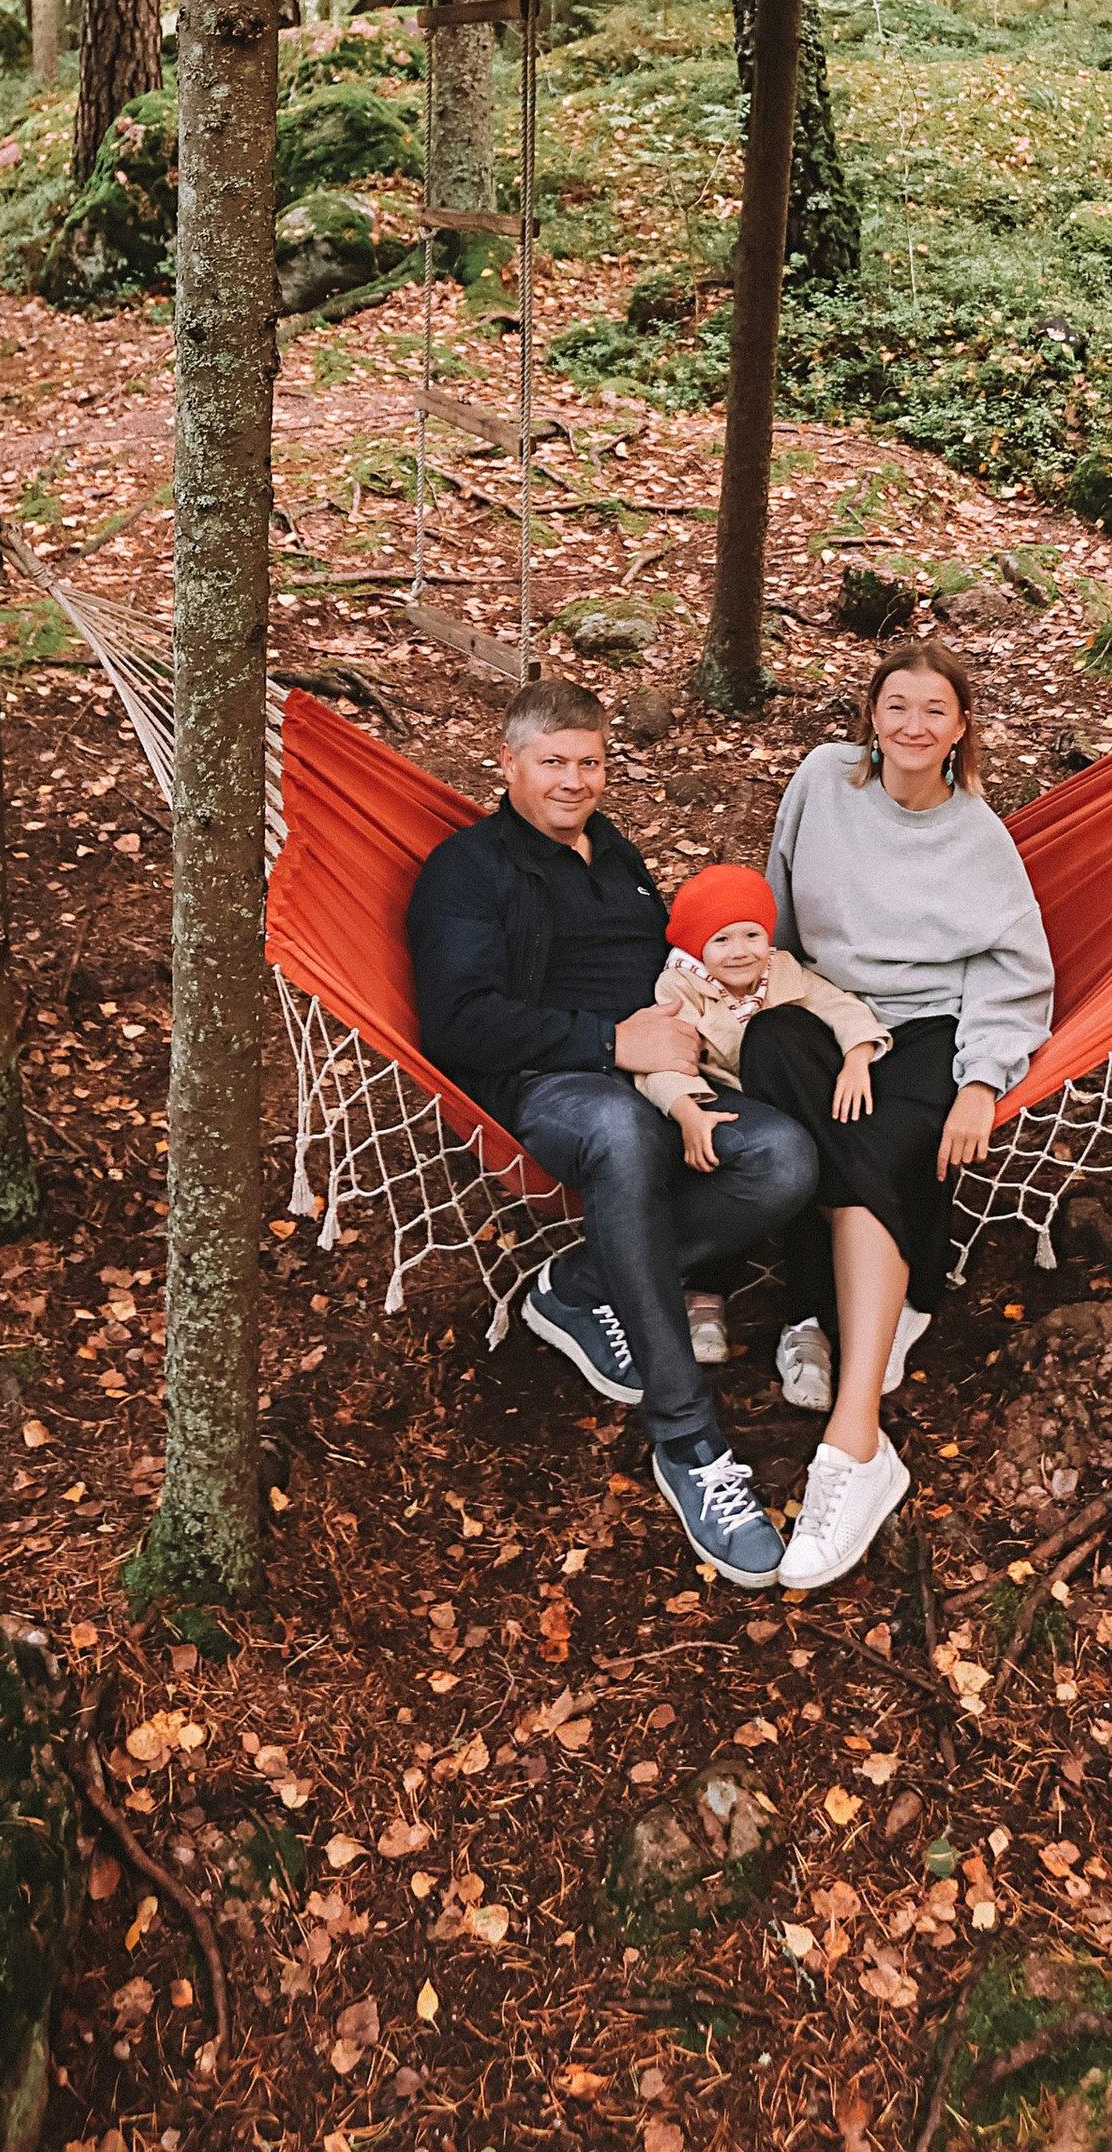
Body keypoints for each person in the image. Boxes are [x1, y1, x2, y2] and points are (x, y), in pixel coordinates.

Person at [406, 677, 816, 1587]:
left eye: (590, 762)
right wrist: (606, 1040)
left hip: (661, 1075)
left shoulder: (615, 855)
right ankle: (688, 1443)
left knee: (784, 1156)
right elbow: (457, 1021)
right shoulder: (467, 871)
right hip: (547, 1084)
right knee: (626, 1133)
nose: (574, 780)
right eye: (552, 762)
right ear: (507, 763)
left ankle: (581, 1284)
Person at [744, 639, 1055, 1593]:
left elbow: (1016, 971)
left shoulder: (980, 838)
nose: (913, 725)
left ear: (961, 729)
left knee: (872, 1139)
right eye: (895, 706)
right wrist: (760, 996)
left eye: (934, 710)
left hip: (928, 1029)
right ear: (870, 718)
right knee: (764, 1058)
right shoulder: (820, 785)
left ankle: (855, 1440)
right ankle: (889, 1304)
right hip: (825, 1007)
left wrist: (979, 1081)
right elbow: (782, 904)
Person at [632, 860, 892, 1163]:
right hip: (729, 1093)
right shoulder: (682, 986)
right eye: (722, 940)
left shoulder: (779, 968)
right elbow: (664, 1062)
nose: (740, 952)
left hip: (792, 1089)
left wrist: (856, 1061)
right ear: (699, 947)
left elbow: (841, 1007)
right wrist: (688, 1115)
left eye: (752, 936)